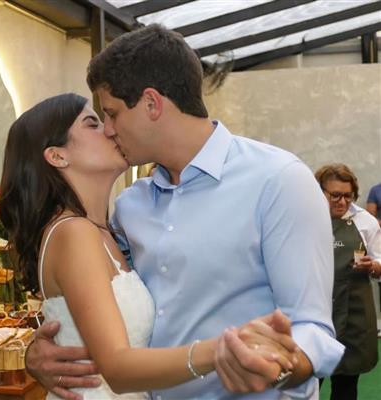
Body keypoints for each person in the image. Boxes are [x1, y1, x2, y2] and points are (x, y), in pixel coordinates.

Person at [25, 24, 344, 400]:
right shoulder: (130, 206)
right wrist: (39, 349)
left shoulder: (278, 181)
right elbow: (97, 300)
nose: (108, 130)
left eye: (111, 114)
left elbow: (310, 327)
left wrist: (275, 367)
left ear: (151, 104)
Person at [0, 93, 297, 400]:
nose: (110, 130)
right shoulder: (74, 232)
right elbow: (116, 367)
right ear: (57, 156)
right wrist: (226, 347)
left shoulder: (111, 227)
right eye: (93, 123)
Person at [315, 164, 381, 400]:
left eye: (348, 196)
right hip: (316, 313)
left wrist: (372, 266)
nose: (342, 202)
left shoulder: (366, 222)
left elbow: (380, 261)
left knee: (346, 385)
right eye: (335, 195)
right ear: (319, 191)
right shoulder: (305, 219)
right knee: (307, 384)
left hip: (354, 314)